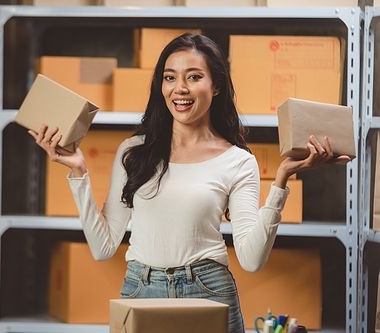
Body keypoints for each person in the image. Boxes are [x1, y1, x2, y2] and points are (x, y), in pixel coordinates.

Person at [29, 33, 350, 333]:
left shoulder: (237, 161)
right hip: (140, 289)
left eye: (194, 76)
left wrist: (281, 181)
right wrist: (78, 172)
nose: (179, 88)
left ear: (216, 86)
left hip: (208, 289)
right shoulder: (134, 152)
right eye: (170, 77)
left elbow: (252, 261)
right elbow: (102, 248)